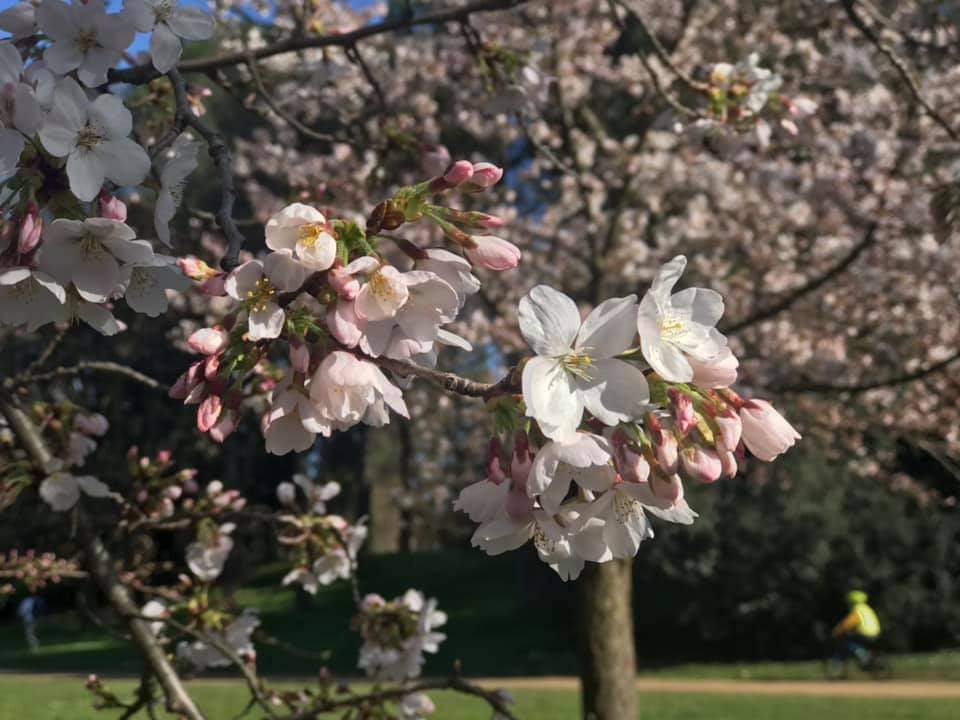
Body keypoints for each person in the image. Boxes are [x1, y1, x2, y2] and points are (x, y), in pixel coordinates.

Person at [831, 589, 881, 669]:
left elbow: (848, 624)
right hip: (875, 633)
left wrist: (837, 630)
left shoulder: (857, 609)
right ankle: (868, 658)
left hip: (866, 634)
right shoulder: (866, 608)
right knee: (856, 640)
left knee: (846, 642)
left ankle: (863, 657)